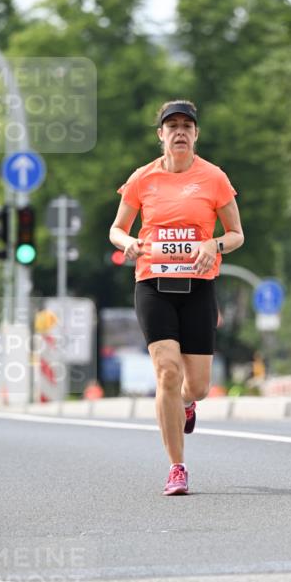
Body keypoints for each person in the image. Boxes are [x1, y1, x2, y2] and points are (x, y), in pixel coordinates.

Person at [109, 99, 243, 496]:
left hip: (198, 287)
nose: (180, 132)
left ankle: (187, 404)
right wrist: (128, 242)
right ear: (161, 135)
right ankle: (177, 467)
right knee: (167, 371)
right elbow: (116, 229)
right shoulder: (142, 178)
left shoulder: (214, 178)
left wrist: (214, 244)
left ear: (196, 134)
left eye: (187, 126)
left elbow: (236, 234)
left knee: (196, 385)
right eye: (173, 126)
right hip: (153, 284)